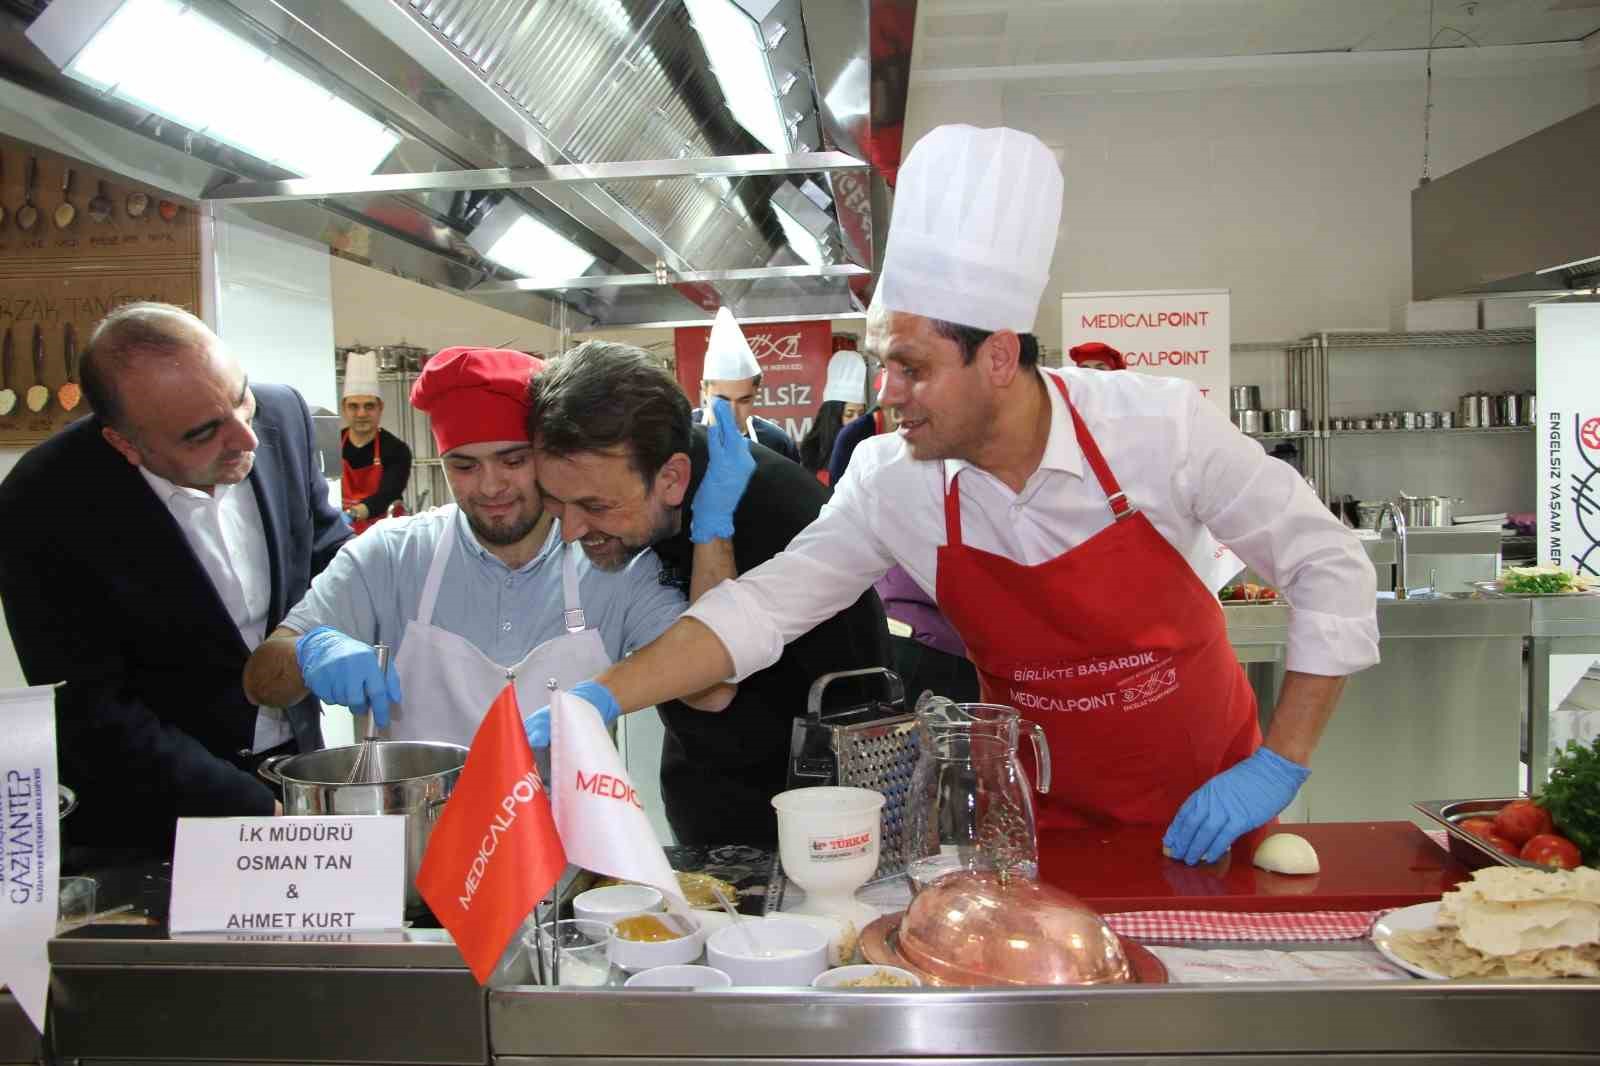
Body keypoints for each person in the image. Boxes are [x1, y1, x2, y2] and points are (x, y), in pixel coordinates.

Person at [525, 125, 1379, 867]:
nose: (887, 393)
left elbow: (1328, 564)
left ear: (998, 357)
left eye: (915, 369)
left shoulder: (1161, 432)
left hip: (1211, 800)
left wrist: (1281, 760)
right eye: (882, 362)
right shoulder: (892, 482)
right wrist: (606, 694)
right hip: (1037, 816)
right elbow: (760, 611)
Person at [0, 302, 350, 858]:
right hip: (159, 810)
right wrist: (259, 812)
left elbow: (329, 557)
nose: (246, 440)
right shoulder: (43, 502)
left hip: (295, 765)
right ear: (126, 444)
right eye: (203, 433)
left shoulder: (282, 415)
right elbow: (93, 710)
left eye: (241, 399)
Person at [242, 348, 709, 749]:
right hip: (419, 842)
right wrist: (310, 651)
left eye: (513, 461)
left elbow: (710, 686)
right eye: (463, 466)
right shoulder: (389, 555)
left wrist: (714, 533)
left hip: (568, 845)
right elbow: (261, 680)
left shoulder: (610, 559)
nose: (491, 487)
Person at [524, 342, 891, 846]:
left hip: (818, 798)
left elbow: (712, 686)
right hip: (705, 782)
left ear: (671, 478)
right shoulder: (642, 488)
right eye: (555, 503)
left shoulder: (773, 504)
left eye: (594, 506)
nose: (570, 530)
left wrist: (710, 535)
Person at [690, 306, 800, 463]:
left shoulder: (777, 444)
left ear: (757, 391)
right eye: (722, 400)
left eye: (744, 400)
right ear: (704, 389)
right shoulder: (681, 436)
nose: (732, 413)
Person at [339, 350, 412, 533]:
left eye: (369, 406)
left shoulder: (396, 449)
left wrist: (351, 515)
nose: (361, 413)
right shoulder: (331, 444)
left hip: (384, 533)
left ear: (380, 408)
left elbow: (387, 496)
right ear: (344, 409)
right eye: (353, 406)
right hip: (340, 532)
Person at [800, 350, 868, 484]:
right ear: (833, 417)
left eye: (860, 414)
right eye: (849, 414)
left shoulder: (868, 449)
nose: (856, 420)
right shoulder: (812, 452)